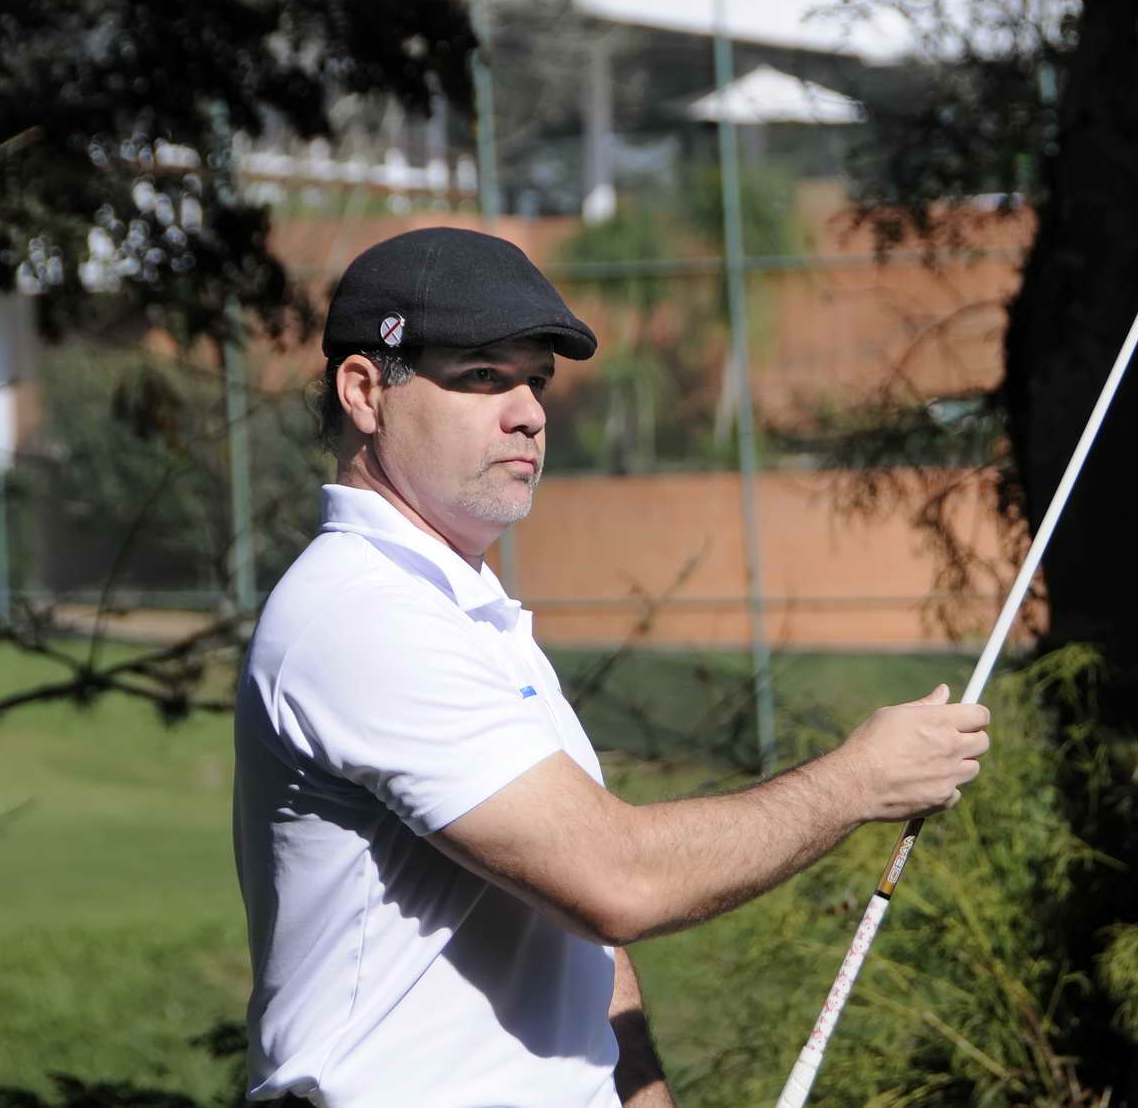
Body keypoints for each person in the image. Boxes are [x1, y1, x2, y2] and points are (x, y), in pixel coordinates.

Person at [233, 227, 991, 1108]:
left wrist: (642, 1094)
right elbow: (616, 879)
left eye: (536, 380)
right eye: (483, 375)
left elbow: (569, 906)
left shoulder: (459, 606)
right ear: (366, 391)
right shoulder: (363, 614)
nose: (528, 412)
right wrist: (861, 780)